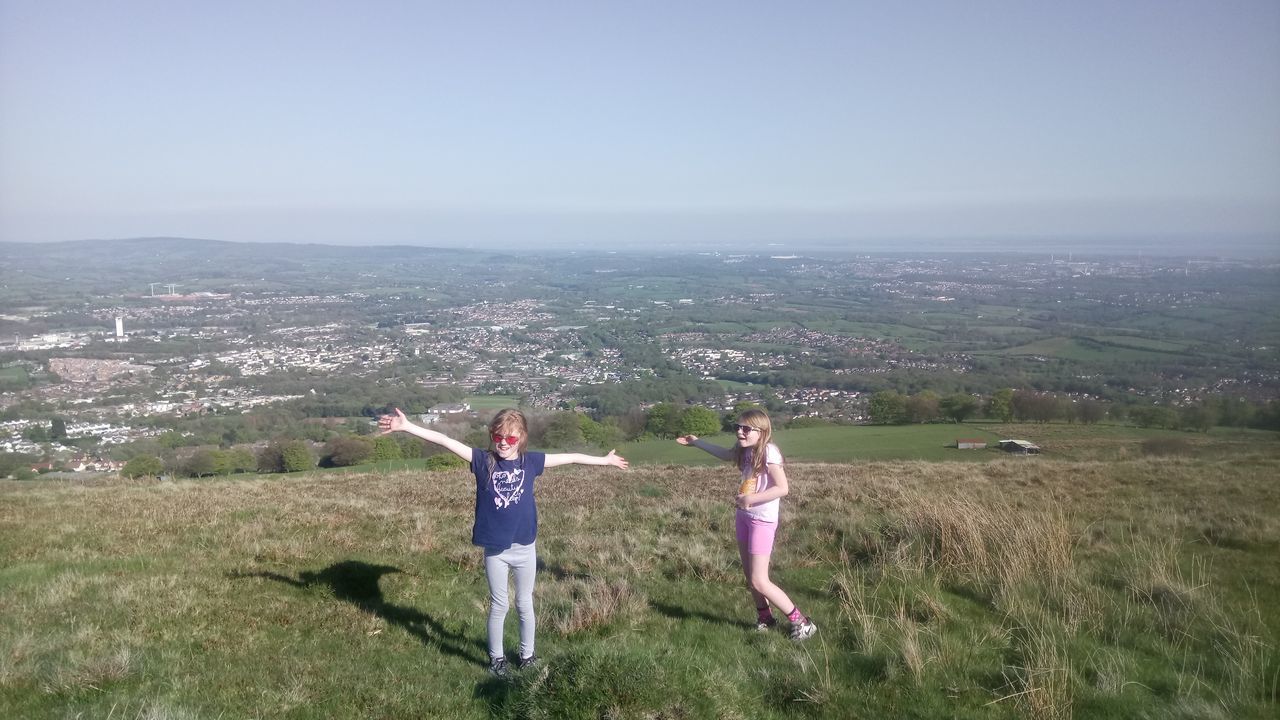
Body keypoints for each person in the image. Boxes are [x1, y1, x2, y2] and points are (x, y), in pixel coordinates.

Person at [378, 407, 629, 677]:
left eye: (510, 439)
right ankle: (497, 659)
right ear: (492, 435)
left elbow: (571, 457)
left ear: (521, 438)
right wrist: (407, 427)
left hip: (525, 547)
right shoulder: (482, 461)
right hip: (496, 550)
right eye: (498, 437)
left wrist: (605, 461)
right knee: (500, 605)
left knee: (524, 603)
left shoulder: (530, 462)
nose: (503, 443)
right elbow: (444, 440)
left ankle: (527, 655)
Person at [676, 408, 816, 641]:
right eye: (738, 427)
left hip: (762, 520)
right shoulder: (745, 450)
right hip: (744, 517)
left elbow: (783, 488)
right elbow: (724, 454)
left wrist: (751, 499)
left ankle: (801, 622)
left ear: (761, 432)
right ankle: (765, 618)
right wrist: (696, 443)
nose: (740, 432)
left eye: (746, 429)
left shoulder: (769, 452)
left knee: (760, 580)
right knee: (750, 576)